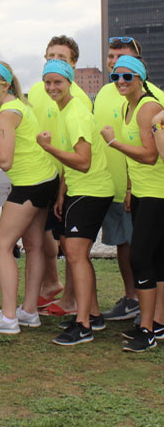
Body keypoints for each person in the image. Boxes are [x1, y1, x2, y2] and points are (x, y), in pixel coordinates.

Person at [0, 61, 58, 334]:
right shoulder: (18, 107)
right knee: (33, 245)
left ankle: (8, 317)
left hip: (30, 184)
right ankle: (29, 312)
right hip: (44, 180)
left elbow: (4, 161)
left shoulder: (6, 115)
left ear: (5, 85)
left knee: (1, 245)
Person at [37, 59, 114, 346]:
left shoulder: (76, 114)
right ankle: (92, 315)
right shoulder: (65, 110)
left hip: (92, 190)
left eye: (58, 82)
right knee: (74, 251)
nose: (52, 87)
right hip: (79, 190)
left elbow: (83, 161)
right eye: (48, 82)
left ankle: (83, 325)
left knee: (76, 255)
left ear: (70, 83)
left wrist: (48, 148)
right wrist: (62, 193)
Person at [95, 37, 164, 321]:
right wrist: (129, 187)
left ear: (140, 77)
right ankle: (156, 321)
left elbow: (150, 156)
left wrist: (113, 143)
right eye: (115, 75)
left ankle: (147, 326)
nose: (120, 80)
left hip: (157, 193)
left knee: (141, 258)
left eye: (127, 76)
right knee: (155, 258)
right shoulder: (126, 105)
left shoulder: (149, 106)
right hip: (138, 192)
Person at [29, 35, 92, 316]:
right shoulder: (36, 90)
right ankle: (50, 284)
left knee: (70, 242)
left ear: (73, 64)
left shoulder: (77, 99)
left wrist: (63, 187)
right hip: (40, 171)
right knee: (41, 234)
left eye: (62, 58)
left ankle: (71, 298)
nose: (55, 62)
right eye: (50, 56)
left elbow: (78, 148)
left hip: (67, 173)